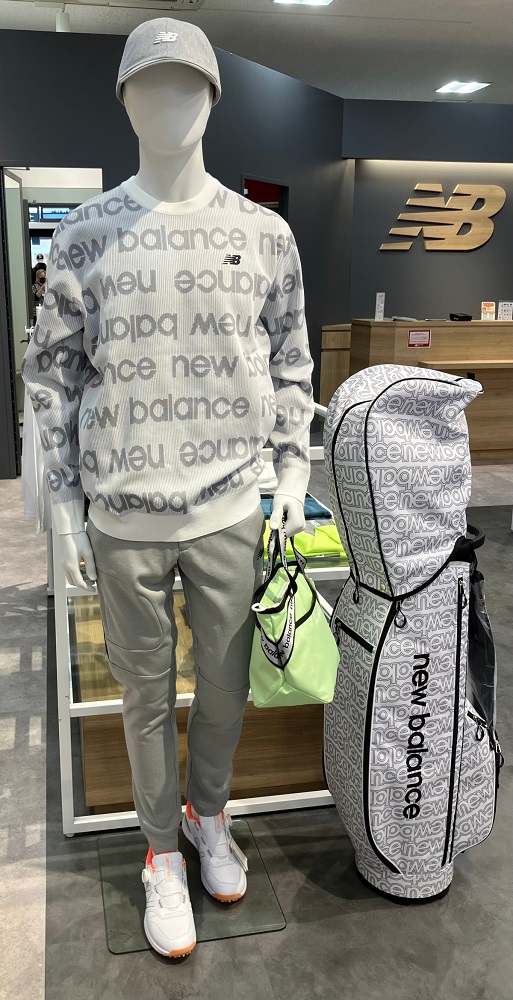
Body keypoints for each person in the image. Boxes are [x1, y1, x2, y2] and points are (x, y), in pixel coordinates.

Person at [22, 17, 313, 960]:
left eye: (188, 85)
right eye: (150, 85)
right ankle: (159, 853)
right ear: (124, 100)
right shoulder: (85, 235)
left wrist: (292, 468)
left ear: (214, 99)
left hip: (229, 506)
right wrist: (65, 504)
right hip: (125, 514)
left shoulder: (264, 235)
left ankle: (207, 816)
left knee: (225, 689)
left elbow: (291, 364)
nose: (170, 103)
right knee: (144, 695)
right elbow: (52, 378)